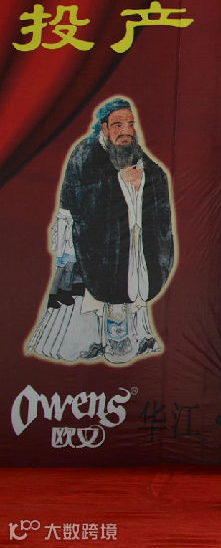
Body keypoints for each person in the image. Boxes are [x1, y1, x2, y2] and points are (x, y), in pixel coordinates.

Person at [26, 97, 175, 365]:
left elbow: (154, 176)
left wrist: (141, 181)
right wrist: (121, 181)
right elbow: (83, 196)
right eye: (118, 125)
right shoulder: (85, 153)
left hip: (128, 246)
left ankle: (132, 338)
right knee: (85, 303)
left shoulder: (134, 151)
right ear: (104, 128)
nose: (126, 131)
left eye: (130, 124)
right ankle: (88, 342)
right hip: (90, 244)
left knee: (128, 290)